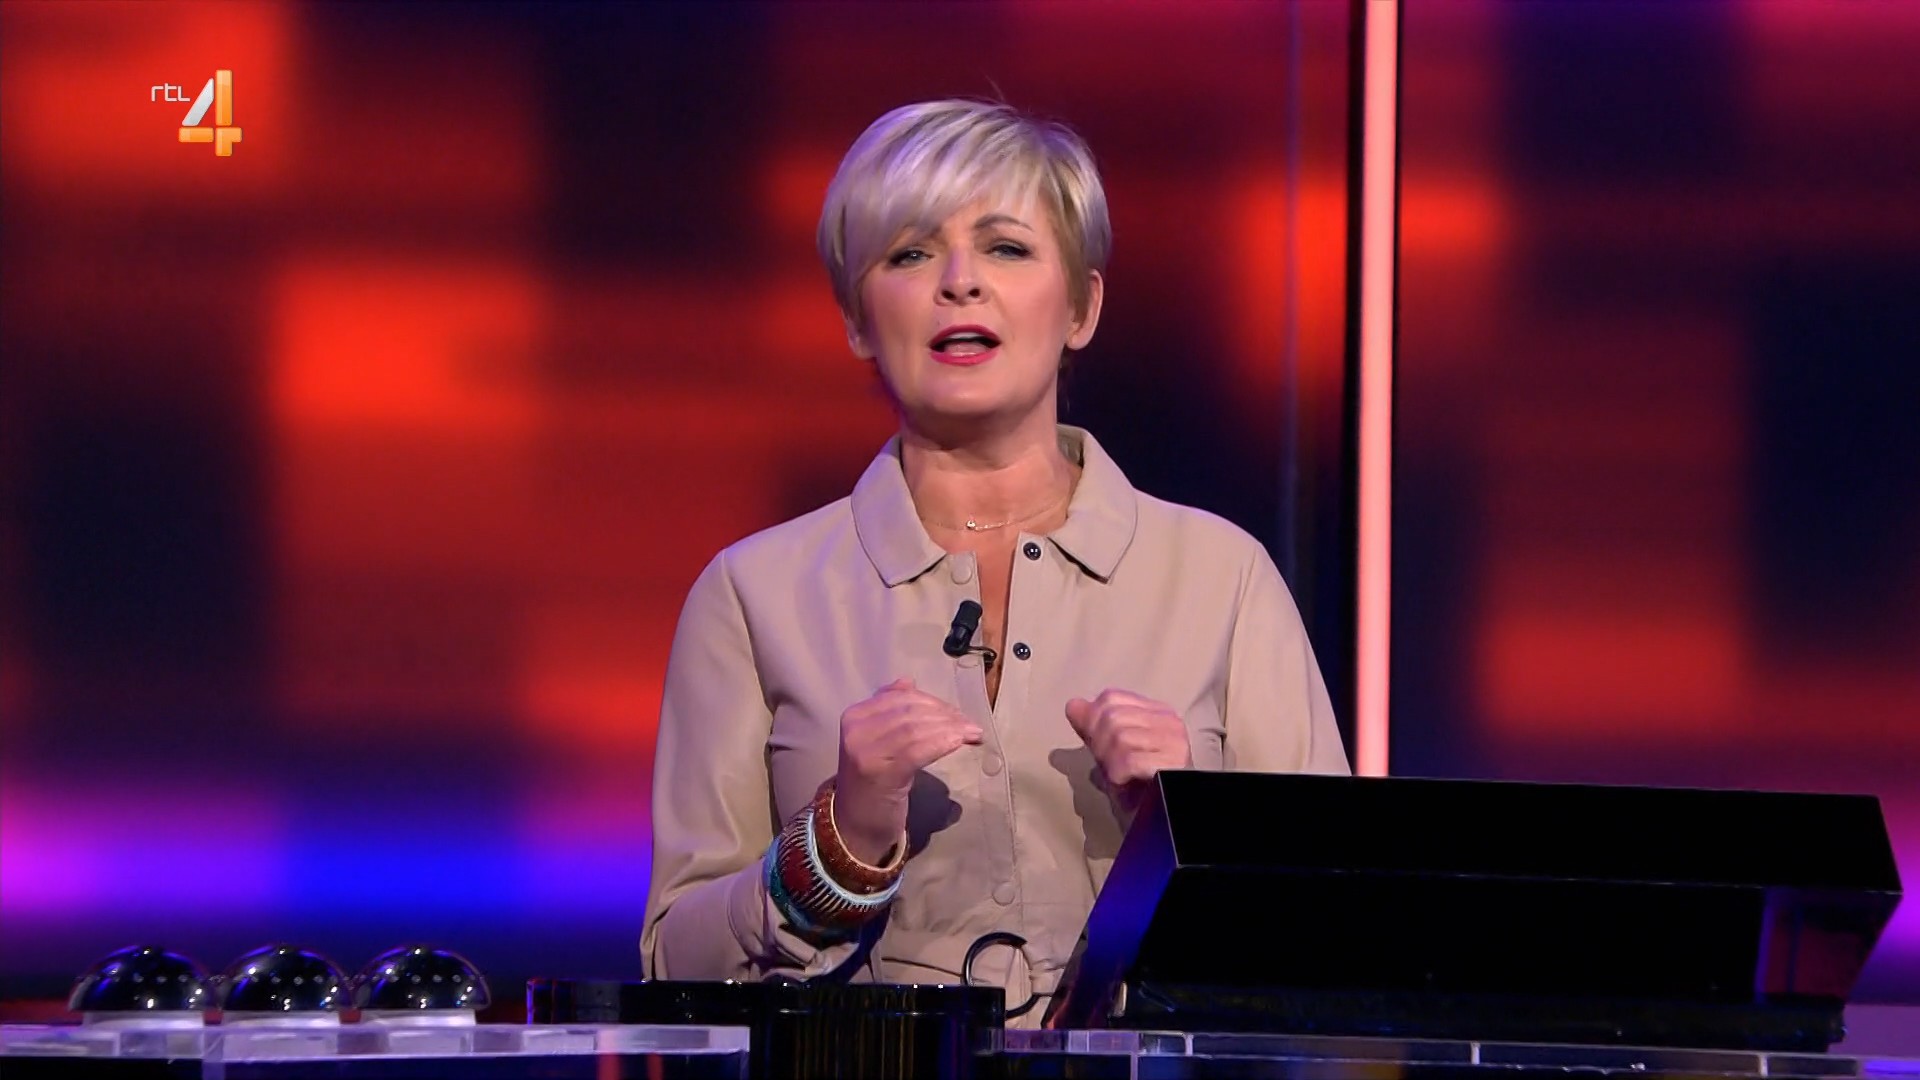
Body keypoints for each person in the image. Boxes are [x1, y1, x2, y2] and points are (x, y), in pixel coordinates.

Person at [640, 98, 1349, 1027]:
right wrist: (837, 845)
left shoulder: (1225, 580)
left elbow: (1339, 942)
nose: (960, 282)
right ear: (857, 320)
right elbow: (672, 966)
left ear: (1082, 306)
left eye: (1006, 247)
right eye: (910, 255)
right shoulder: (751, 596)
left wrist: (1192, 825)